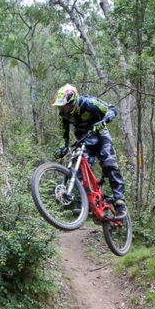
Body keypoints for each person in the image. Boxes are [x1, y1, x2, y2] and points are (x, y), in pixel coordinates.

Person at [51, 83, 127, 218]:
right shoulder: (63, 115)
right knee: (80, 170)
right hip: (83, 139)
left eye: (67, 106)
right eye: (61, 107)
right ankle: (84, 204)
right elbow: (64, 133)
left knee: (109, 164)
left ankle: (120, 201)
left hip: (100, 134)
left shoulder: (89, 103)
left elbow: (111, 109)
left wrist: (103, 122)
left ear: (74, 102)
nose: (65, 110)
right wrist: (64, 147)